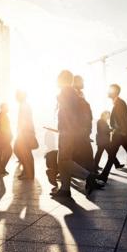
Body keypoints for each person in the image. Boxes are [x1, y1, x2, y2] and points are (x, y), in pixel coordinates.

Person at [50, 70, 102, 199]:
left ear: (62, 80)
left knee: (64, 160)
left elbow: (68, 114)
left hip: (67, 132)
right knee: (62, 160)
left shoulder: (65, 93)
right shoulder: (73, 93)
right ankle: (65, 189)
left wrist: (66, 129)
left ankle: (88, 177)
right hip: (70, 132)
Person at [98, 84, 127, 183]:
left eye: (109, 90)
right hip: (121, 135)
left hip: (121, 135)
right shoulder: (117, 103)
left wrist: (123, 132)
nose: (107, 92)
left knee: (114, 155)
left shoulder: (119, 103)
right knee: (123, 154)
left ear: (114, 92)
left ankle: (104, 176)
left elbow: (123, 119)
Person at [72, 75, 96, 173]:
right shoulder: (75, 94)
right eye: (82, 81)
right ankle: (90, 174)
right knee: (83, 153)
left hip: (83, 130)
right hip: (79, 131)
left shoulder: (80, 93)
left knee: (82, 153)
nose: (83, 84)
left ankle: (90, 173)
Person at [14, 91, 37, 180]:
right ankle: (28, 172)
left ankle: (28, 173)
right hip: (25, 132)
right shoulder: (24, 105)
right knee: (23, 152)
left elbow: (24, 120)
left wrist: (21, 132)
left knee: (23, 152)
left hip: (25, 133)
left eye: (17, 96)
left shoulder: (24, 106)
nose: (16, 98)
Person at [0, 103, 13, 176]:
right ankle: (0, 169)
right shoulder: (0, 116)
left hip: (3, 138)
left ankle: (0, 169)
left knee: (0, 153)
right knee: (3, 153)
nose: (8, 109)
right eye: (6, 107)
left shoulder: (3, 116)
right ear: (3, 108)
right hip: (1, 139)